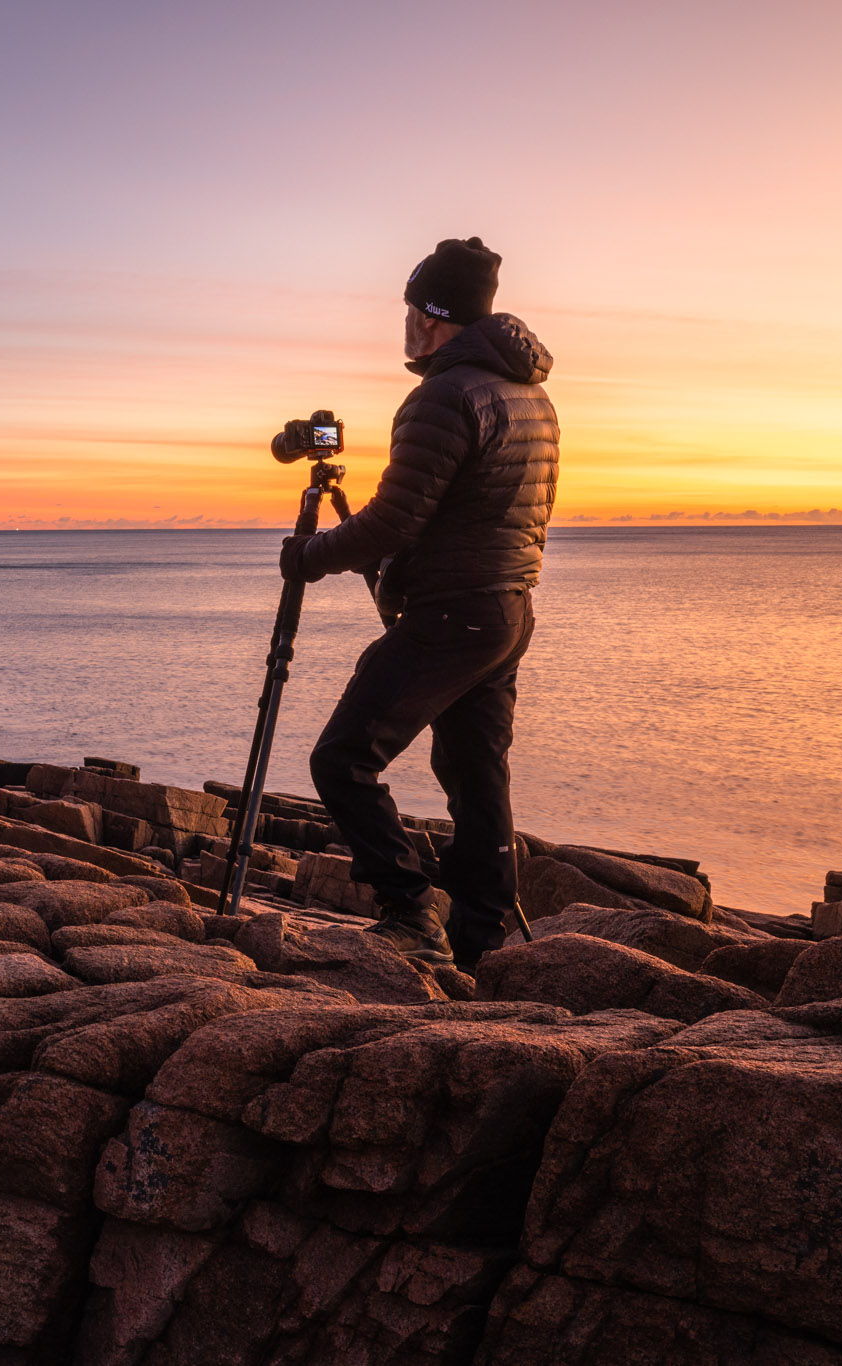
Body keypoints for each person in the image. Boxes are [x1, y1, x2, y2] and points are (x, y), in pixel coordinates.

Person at [277, 237, 557, 969]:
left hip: (453, 612)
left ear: (429, 314)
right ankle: (483, 943)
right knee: (475, 775)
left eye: (409, 305)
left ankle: (408, 908)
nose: (403, 319)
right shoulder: (529, 392)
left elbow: (396, 521)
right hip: (507, 608)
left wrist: (308, 557)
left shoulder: (444, 393)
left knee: (343, 759)